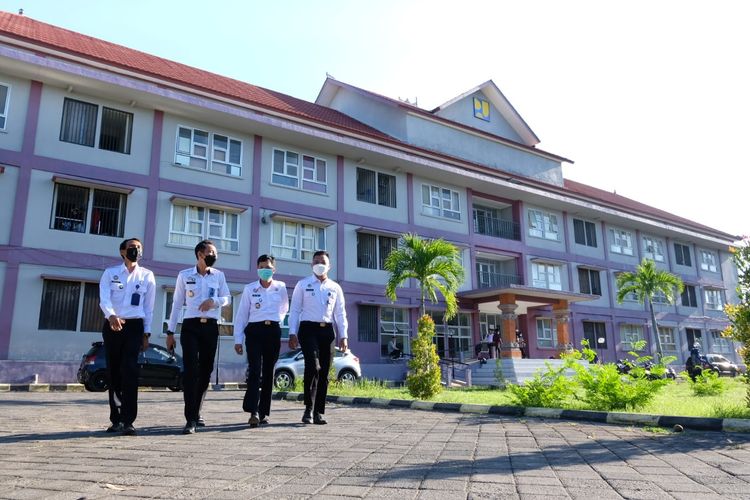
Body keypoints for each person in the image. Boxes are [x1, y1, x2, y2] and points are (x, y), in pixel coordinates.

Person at [166, 240, 230, 435]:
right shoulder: (185, 275)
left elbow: (227, 298)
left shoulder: (219, 275)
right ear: (200, 254)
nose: (214, 256)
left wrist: (214, 301)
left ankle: (197, 410)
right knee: (191, 370)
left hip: (210, 327)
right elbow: (177, 304)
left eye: (215, 253)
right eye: (211, 252)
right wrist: (170, 332)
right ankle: (190, 418)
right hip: (191, 326)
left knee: (205, 370)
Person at [98, 237, 155, 436]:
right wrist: (111, 315)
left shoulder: (147, 276)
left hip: (134, 327)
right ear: (122, 251)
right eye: (132, 248)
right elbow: (104, 298)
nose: (136, 250)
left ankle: (129, 420)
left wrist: (146, 333)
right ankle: (116, 419)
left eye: (139, 247)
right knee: (114, 372)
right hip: (113, 325)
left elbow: (148, 307)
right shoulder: (110, 273)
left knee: (130, 371)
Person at [288, 250, 348, 425]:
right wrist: (292, 332)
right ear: (311, 265)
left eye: (322, 261)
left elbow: (340, 313)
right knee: (313, 366)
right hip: (308, 329)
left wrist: (343, 336)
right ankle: (308, 408)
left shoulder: (335, 287)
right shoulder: (303, 284)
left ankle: (318, 412)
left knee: (324, 372)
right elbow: (295, 310)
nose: (319, 264)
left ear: (329, 266)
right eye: (316, 261)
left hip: (327, 331)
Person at [234, 255, 288, 427]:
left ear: (274, 269)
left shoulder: (281, 287)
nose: (265, 269)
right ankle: (253, 411)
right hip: (254, 331)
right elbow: (242, 314)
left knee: (268, 372)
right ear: (257, 268)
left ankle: (264, 412)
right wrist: (238, 339)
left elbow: (284, 308)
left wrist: (273, 320)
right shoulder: (250, 289)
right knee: (255, 370)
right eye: (262, 266)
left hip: (272, 331)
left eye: (268, 266)